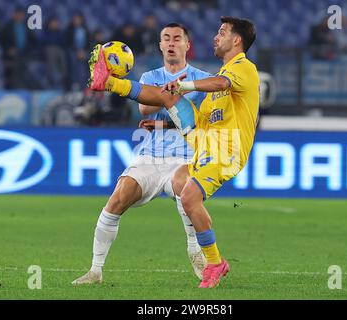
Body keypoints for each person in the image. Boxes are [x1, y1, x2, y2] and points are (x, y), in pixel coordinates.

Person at [85, 16, 259, 288]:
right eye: (166, 38)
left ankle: (213, 261)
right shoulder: (220, 73)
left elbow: (220, 84)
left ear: (236, 40)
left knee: (188, 195)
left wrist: (184, 85)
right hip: (201, 140)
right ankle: (108, 83)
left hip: (225, 151)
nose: (216, 36)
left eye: (222, 32)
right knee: (167, 97)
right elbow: (200, 115)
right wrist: (163, 123)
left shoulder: (241, 69)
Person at [72, 23, 211, 285]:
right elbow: (146, 108)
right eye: (166, 38)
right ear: (160, 45)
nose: (171, 43)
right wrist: (173, 91)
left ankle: (194, 248)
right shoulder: (149, 77)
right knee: (117, 199)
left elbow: (202, 118)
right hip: (150, 156)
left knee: (185, 187)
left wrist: (172, 98)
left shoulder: (201, 79)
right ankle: (95, 270)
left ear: (187, 45)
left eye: (176, 39)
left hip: (185, 154)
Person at [0, 6, 36, 89]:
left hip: (24, 55)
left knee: (23, 75)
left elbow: (33, 40)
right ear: (14, 15)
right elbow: (2, 40)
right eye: (18, 14)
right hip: (10, 55)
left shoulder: (27, 26)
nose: (19, 16)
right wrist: (9, 49)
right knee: (9, 76)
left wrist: (28, 50)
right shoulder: (7, 26)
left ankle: (23, 90)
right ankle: (8, 92)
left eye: (21, 14)